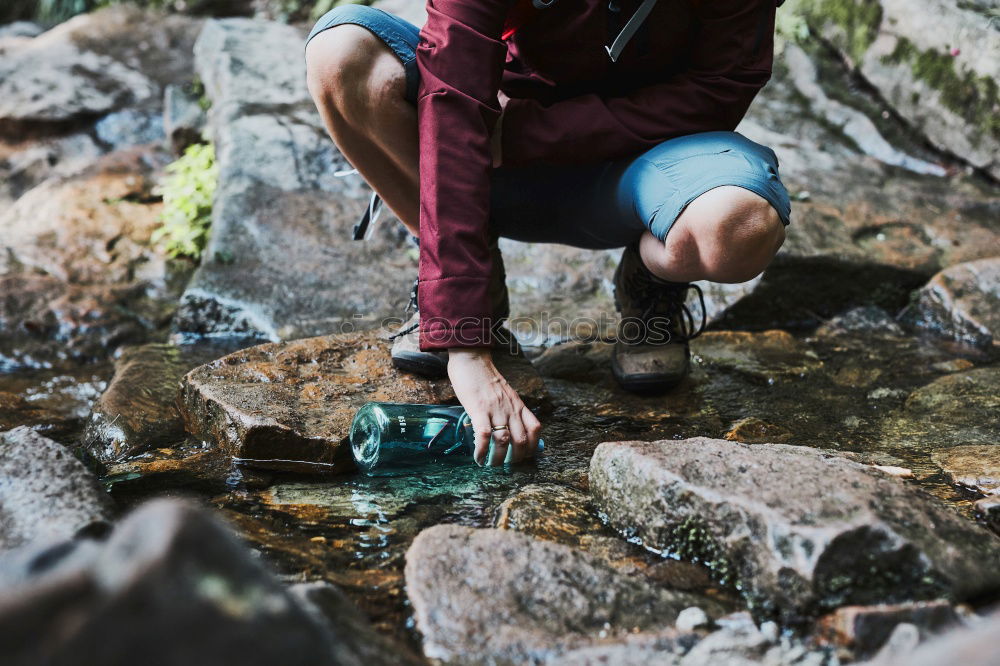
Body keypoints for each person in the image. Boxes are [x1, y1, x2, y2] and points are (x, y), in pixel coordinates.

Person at [304, 0, 791, 468]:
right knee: (341, 54)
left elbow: (722, 84)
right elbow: (453, 99)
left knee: (739, 224)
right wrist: (465, 343)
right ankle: (471, 283)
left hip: (643, 164)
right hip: (493, 156)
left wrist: (528, 134)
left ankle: (652, 288)